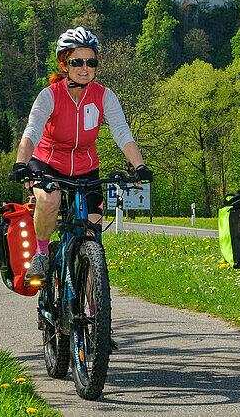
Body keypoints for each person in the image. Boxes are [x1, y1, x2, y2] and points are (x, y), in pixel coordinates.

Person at [15, 27, 151, 285]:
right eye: (77, 62)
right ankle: (42, 254)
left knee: (92, 229)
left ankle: (93, 298)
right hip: (48, 163)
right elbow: (31, 132)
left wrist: (140, 166)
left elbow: (122, 132)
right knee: (50, 199)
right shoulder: (49, 96)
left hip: (86, 167)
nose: (85, 68)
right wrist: (21, 164)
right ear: (64, 64)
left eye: (91, 62)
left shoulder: (104, 96)